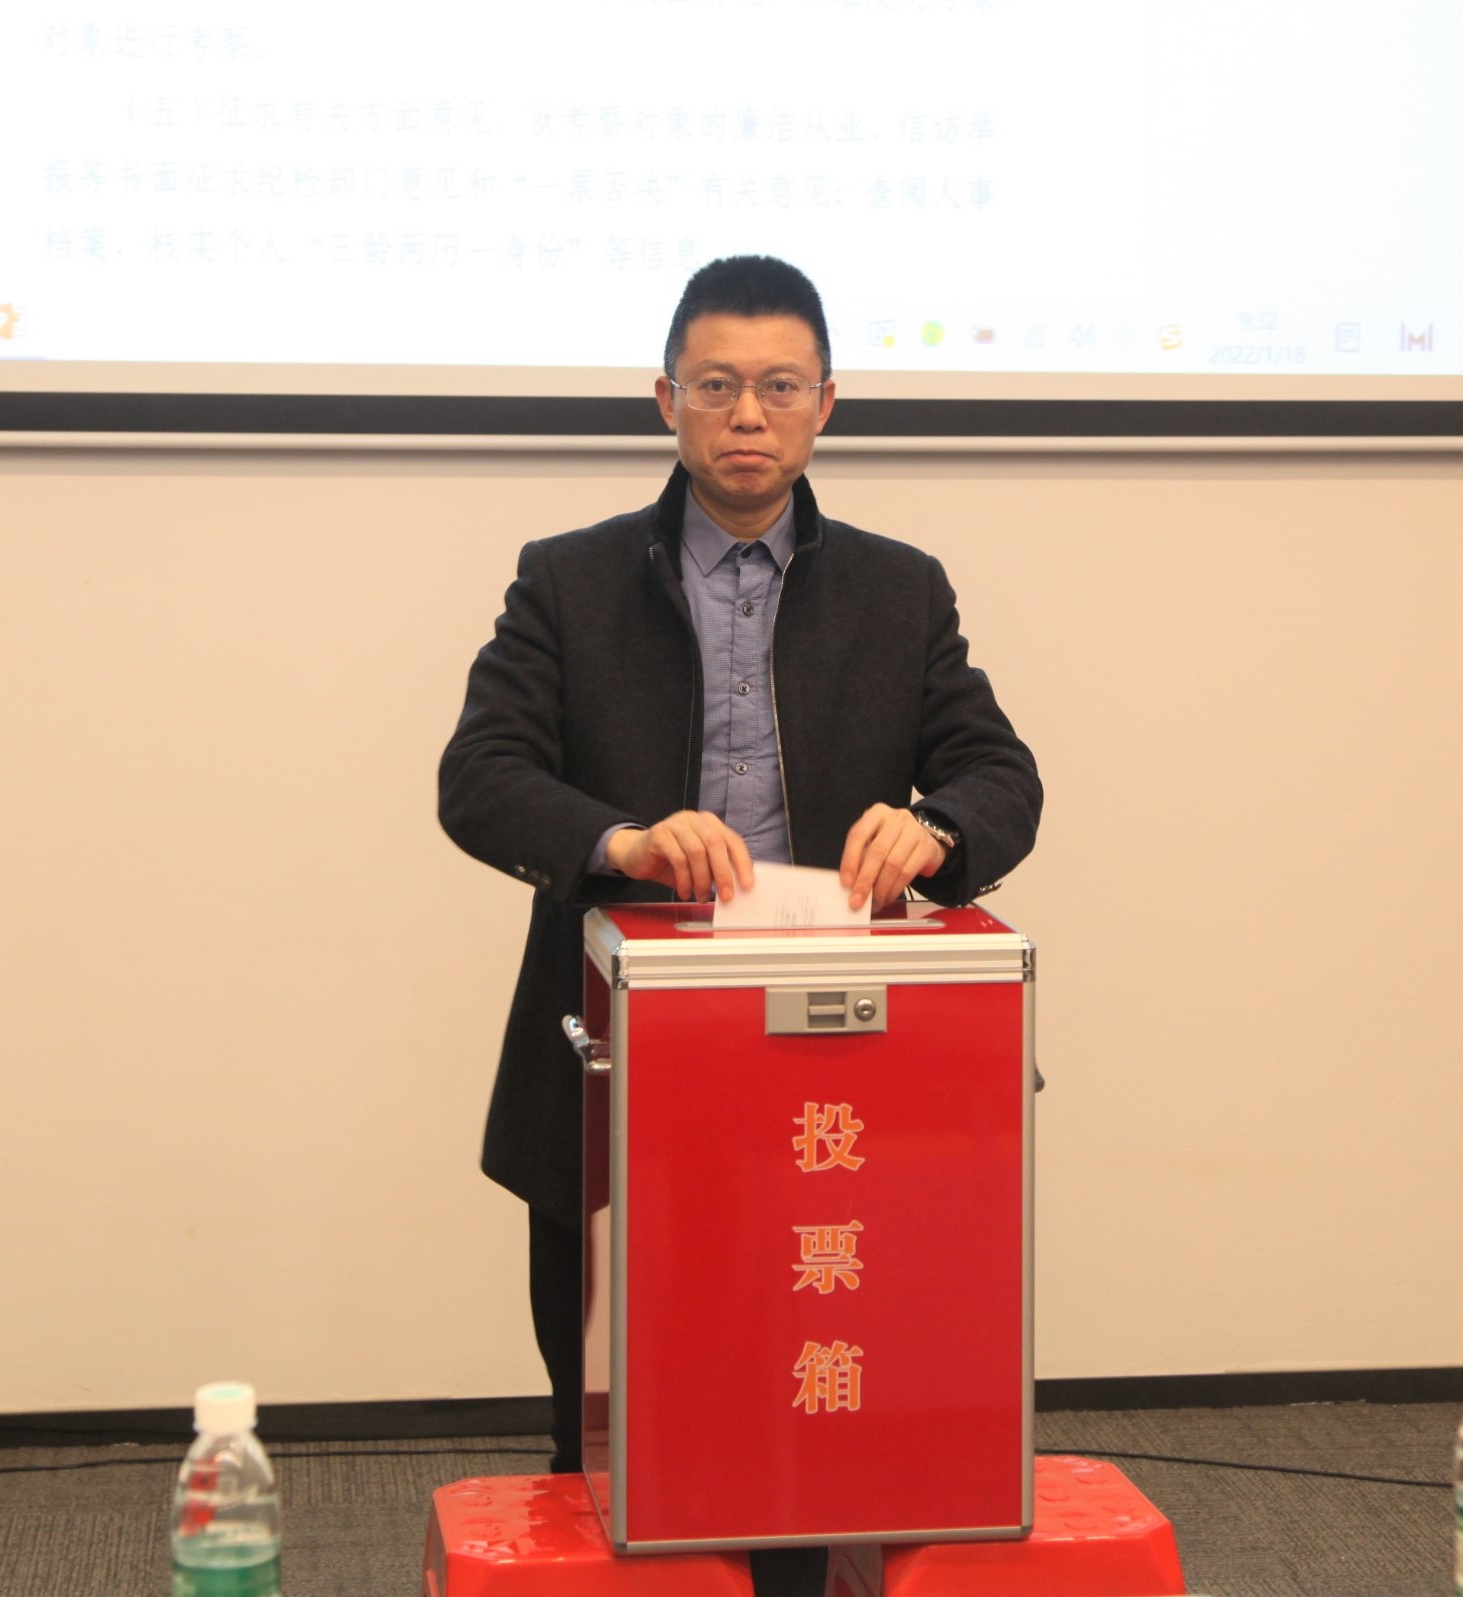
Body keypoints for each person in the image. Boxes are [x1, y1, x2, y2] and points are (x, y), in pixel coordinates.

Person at [438, 255, 1042, 1477]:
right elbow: (480, 775)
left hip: (836, 1045)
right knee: (617, 1411)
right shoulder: (568, 579)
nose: (748, 415)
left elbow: (1002, 774)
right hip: (625, 1032)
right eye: (716, 385)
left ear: (828, 403)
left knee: (823, 1368)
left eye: (780, 385)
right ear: (667, 401)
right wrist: (623, 843)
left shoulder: (899, 588)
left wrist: (937, 832)